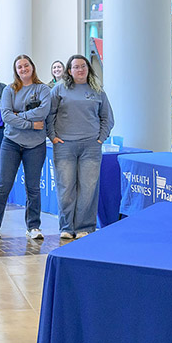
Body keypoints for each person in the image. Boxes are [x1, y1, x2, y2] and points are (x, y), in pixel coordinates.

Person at [0, 55, 52, 240]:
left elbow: (43, 111)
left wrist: (19, 115)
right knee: (4, 184)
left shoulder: (43, 89)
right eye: (19, 67)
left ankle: (33, 227)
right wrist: (30, 123)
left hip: (36, 145)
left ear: (32, 66)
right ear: (16, 70)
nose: (23, 69)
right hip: (11, 143)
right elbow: (6, 115)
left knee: (33, 187)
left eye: (26, 65)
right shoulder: (9, 90)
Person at [48, 54, 113, 239]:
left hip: (91, 146)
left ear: (88, 69)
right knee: (66, 187)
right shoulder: (59, 89)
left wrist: (100, 138)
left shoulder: (98, 91)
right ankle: (66, 227)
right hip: (64, 146)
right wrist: (52, 137)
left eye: (83, 66)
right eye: (76, 67)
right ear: (69, 71)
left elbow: (107, 117)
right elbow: (49, 115)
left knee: (88, 188)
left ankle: (85, 227)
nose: (80, 70)